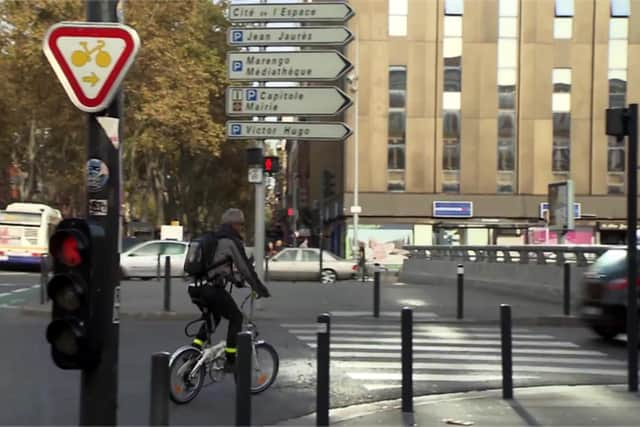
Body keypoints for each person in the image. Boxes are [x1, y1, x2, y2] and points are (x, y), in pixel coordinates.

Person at [188, 208, 270, 372]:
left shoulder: (212, 239)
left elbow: (220, 268)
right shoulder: (230, 241)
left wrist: (236, 281)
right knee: (236, 318)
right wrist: (260, 289)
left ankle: (193, 353)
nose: (241, 228)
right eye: (241, 225)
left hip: (194, 288)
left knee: (213, 319)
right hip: (211, 290)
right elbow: (245, 268)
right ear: (235, 225)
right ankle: (231, 360)